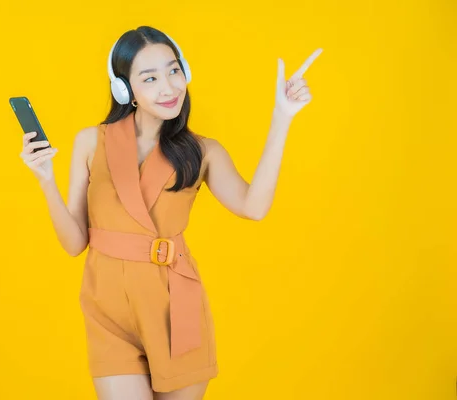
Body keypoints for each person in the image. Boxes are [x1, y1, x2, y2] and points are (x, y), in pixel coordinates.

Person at [19, 25, 322, 400]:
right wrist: (45, 178)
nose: (169, 87)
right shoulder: (90, 142)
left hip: (176, 310)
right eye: (150, 78)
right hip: (108, 311)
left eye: (174, 70)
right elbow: (74, 243)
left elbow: (253, 207)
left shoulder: (201, 150)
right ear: (124, 90)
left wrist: (282, 117)